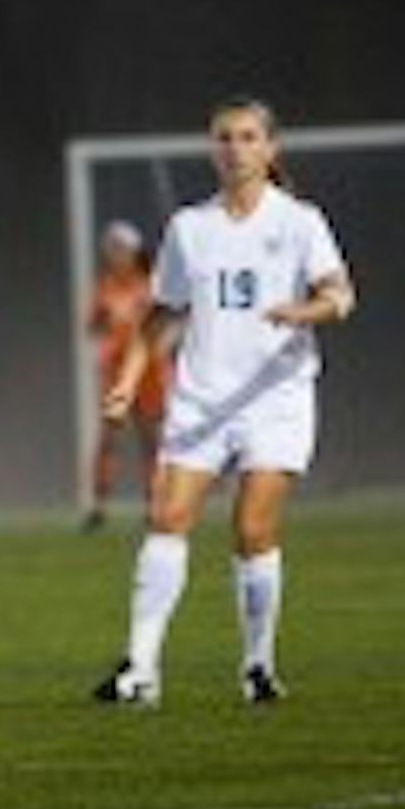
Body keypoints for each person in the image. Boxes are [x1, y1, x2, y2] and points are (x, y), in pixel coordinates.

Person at [94, 97, 356, 707]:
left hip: (276, 399)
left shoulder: (299, 222)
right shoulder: (191, 227)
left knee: (252, 529)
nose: (235, 149)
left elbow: (341, 296)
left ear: (271, 148)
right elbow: (160, 317)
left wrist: (305, 310)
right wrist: (129, 381)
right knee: (166, 519)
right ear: (213, 150)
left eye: (247, 137)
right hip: (202, 399)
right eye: (225, 138)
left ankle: (258, 666)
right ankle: (140, 669)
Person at [81, 220, 171, 532]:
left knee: (151, 439)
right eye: (112, 249)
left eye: (121, 249)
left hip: (149, 371)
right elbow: (92, 325)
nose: (116, 255)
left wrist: (161, 342)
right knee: (108, 438)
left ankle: (154, 504)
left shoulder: (150, 285)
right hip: (116, 372)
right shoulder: (105, 287)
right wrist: (106, 339)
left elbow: (168, 321)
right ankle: (98, 506)